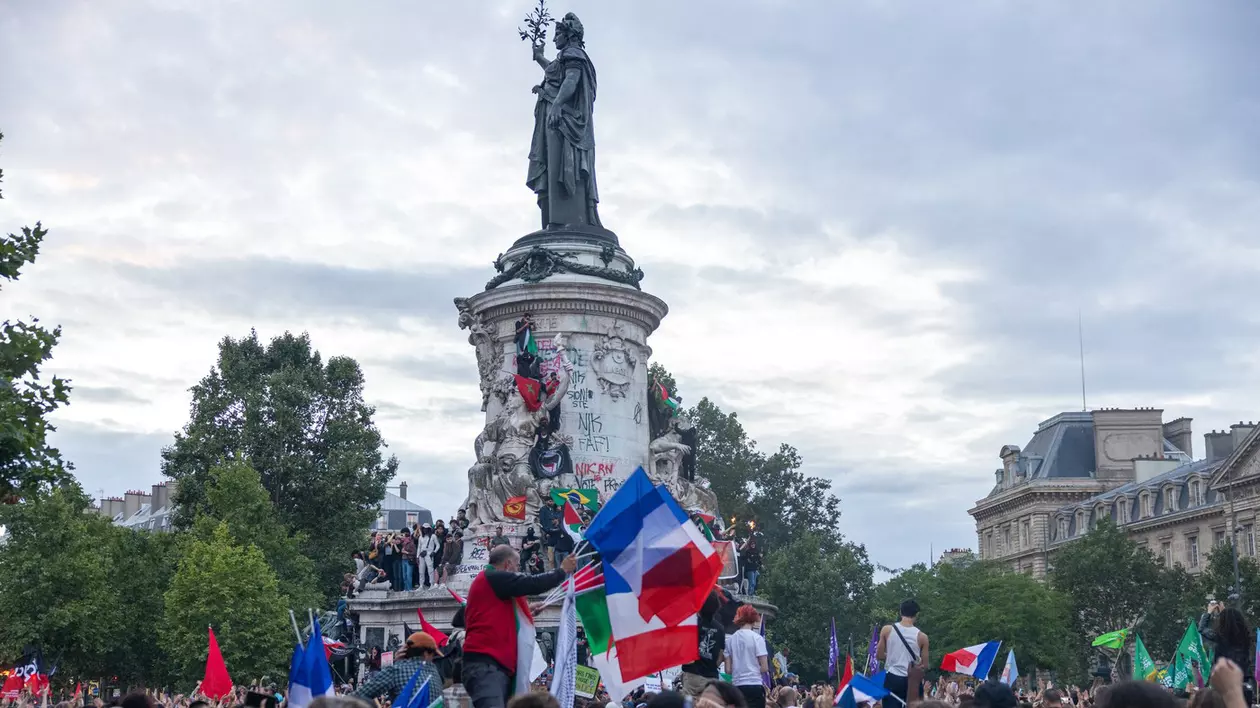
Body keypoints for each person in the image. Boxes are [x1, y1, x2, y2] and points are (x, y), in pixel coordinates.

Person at [462, 544, 576, 708]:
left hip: (495, 665)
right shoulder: (494, 577)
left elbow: (494, 615)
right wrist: (561, 571)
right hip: (487, 665)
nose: (518, 570)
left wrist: (526, 611)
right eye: (517, 566)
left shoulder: (491, 583)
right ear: (507, 564)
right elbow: (532, 584)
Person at [353, 632, 443, 704]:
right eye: (433, 655)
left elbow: (358, 696)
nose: (433, 659)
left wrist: (396, 664)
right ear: (426, 654)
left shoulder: (397, 670)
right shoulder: (435, 673)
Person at [876, 599, 929, 706]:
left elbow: (879, 655)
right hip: (913, 680)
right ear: (916, 614)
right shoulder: (922, 637)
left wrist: (891, 656)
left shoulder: (887, 630)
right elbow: (925, 665)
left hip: (893, 678)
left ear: (900, 612)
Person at [1202, 606, 1253, 704]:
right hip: (1244, 685)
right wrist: (1224, 613)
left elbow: (1202, 629)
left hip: (1225, 687)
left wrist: (1208, 612)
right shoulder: (1246, 639)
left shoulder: (1219, 638)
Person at [682, 591, 726, 697]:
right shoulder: (720, 629)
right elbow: (721, 655)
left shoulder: (693, 624)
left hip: (692, 675)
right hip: (711, 677)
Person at [724, 605, 768, 708]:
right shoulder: (757, 639)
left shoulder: (730, 640)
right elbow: (764, 667)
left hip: (737, 686)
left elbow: (728, 670)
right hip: (754, 684)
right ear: (754, 618)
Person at [539, 498, 562, 568]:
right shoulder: (543, 509)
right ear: (546, 502)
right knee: (550, 554)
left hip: (555, 532)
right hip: (547, 532)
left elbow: (557, 518)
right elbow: (542, 521)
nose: (551, 503)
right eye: (550, 501)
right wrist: (547, 531)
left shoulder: (553, 510)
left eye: (552, 501)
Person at [399, 528, 416, 592]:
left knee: (409, 575)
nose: (401, 537)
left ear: (407, 537)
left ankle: (410, 588)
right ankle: (405, 588)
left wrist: (407, 552)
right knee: (404, 575)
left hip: (409, 560)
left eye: (403, 536)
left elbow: (414, 552)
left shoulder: (411, 543)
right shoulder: (402, 544)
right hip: (403, 560)